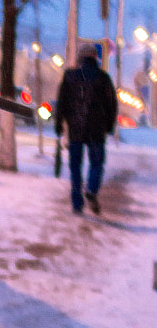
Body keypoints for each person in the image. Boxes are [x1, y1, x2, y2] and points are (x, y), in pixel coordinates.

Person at [53, 42, 118, 215]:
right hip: (97, 130)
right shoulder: (103, 78)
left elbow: (62, 103)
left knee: (75, 166)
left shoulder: (69, 76)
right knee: (96, 164)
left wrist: (59, 123)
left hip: (76, 129)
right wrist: (110, 125)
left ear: (81, 58)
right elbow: (111, 104)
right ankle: (91, 190)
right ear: (95, 58)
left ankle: (77, 203)